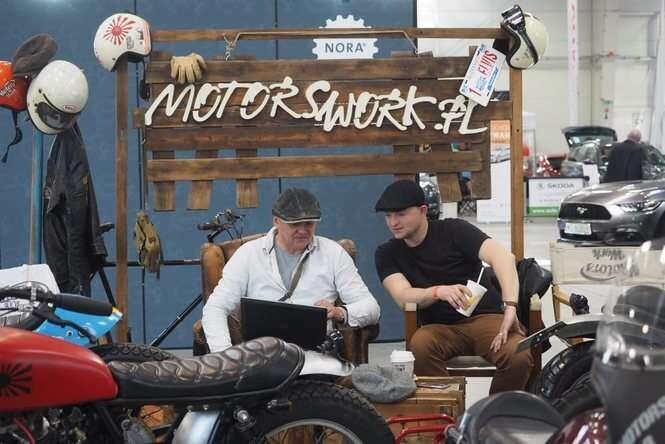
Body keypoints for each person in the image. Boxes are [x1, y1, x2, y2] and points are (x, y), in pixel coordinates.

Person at [374, 180, 533, 394]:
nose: (393, 222)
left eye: (401, 214)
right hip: (439, 328)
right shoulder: (387, 253)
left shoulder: (454, 230)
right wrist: (438, 291)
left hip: (486, 319)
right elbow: (403, 296)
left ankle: (493, 411)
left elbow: (503, 257)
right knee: (420, 346)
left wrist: (511, 306)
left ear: (423, 211)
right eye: (388, 216)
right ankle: (448, 409)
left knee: (517, 353)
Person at [202, 187, 381, 352]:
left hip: (317, 355)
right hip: (262, 356)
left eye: (309, 223)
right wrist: (225, 356)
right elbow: (216, 307)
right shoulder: (248, 254)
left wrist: (340, 312)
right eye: (295, 224)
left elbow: (372, 308)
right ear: (276, 221)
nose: (303, 231)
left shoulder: (334, 253)